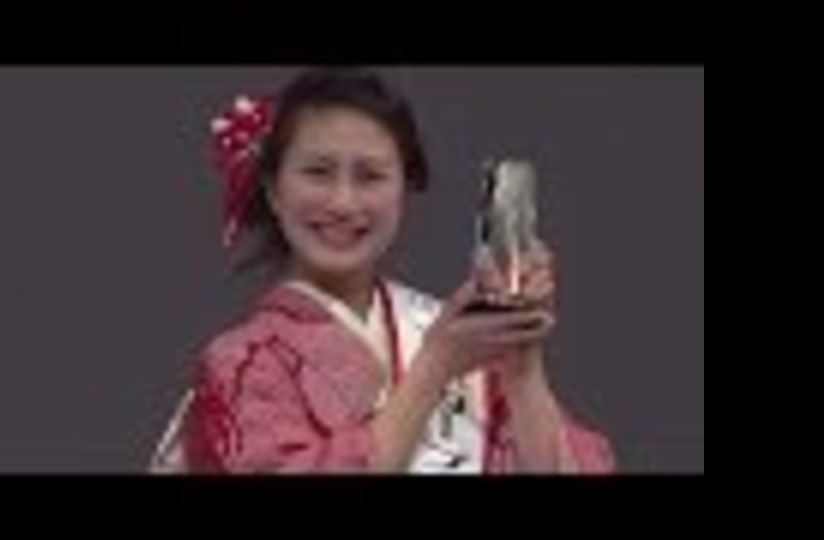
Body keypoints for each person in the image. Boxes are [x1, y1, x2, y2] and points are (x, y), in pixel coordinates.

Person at [150, 67, 614, 474]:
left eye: (370, 176)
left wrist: (522, 368)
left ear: (403, 191)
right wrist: (433, 368)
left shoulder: (458, 340)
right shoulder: (242, 363)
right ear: (273, 189)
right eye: (318, 172)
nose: (343, 202)